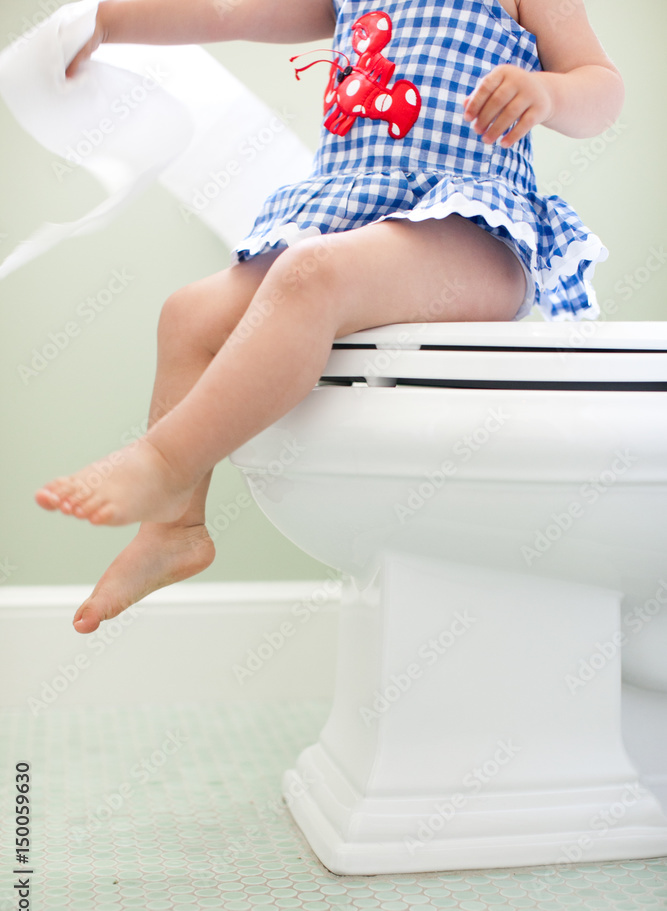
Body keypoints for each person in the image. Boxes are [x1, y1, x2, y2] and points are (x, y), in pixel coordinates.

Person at [35, 0, 624, 633]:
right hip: (360, 218)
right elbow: (225, 13)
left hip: (474, 230)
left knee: (310, 274)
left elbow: (602, 86)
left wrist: (550, 93)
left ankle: (164, 463)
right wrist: (109, 22)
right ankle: (175, 530)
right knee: (188, 315)